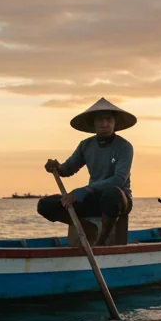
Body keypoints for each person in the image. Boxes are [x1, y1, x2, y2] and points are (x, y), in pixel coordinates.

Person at [40, 98, 135, 246]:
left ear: (114, 123)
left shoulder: (124, 147)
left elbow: (118, 180)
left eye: (108, 120)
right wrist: (56, 167)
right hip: (93, 197)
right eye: (100, 120)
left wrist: (81, 192)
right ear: (94, 123)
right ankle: (88, 229)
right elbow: (68, 169)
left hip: (119, 200)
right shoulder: (86, 145)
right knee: (45, 204)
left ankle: (101, 242)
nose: (104, 124)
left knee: (111, 194)